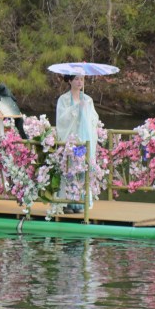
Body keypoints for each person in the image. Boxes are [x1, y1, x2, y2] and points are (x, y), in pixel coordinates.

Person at [55, 72, 100, 213]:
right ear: (70, 81)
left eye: (82, 79)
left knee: (82, 169)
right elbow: (61, 120)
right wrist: (76, 108)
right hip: (70, 139)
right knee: (69, 168)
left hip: (84, 138)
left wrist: (85, 110)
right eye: (76, 79)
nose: (80, 82)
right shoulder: (63, 99)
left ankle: (81, 202)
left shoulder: (88, 99)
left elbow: (94, 119)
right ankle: (67, 202)